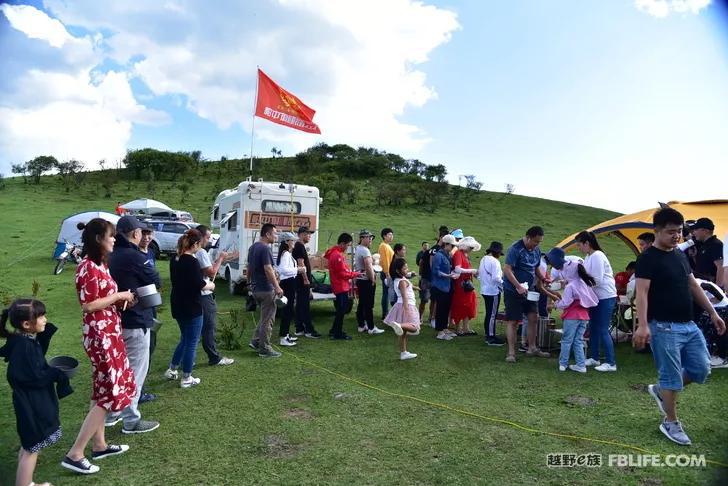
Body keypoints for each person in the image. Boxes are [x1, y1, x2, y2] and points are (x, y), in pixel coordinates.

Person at [633, 207, 726, 446]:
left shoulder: (679, 254)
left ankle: (661, 390)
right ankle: (670, 422)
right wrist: (642, 325)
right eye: (671, 232)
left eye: (680, 232)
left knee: (701, 369)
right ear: (657, 231)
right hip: (663, 327)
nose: (676, 236)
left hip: (689, 325)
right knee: (672, 377)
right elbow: (641, 293)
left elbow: (694, 286)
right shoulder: (648, 258)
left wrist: (713, 313)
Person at [64, 218, 135, 475]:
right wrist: (117, 296)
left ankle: (100, 445)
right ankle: (75, 453)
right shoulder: (86, 268)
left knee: (101, 390)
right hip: (100, 337)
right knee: (108, 393)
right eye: (111, 235)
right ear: (98, 239)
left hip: (110, 333)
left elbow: (102, 301)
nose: (114, 239)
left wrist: (121, 300)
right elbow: (89, 305)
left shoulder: (100, 265)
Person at [1, 299, 73, 486]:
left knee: (29, 446)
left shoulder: (21, 340)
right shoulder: (24, 346)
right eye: (41, 317)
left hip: (30, 401)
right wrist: (56, 373)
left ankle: (26, 482)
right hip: (32, 405)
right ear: (26, 324)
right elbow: (33, 376)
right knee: (31, 447)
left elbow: (34, 366)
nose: (45, 320)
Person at [106, 216, 161, 433]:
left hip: (115, 320)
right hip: (136, 320)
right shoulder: (134, 255)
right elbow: (155, 279)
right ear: (135, 233)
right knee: (135, 373)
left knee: (119, 370)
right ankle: (131, 420)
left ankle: (112, 414)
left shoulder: (111, 255)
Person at [165, 229, 215, 386]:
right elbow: (198, 284)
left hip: (177, 303)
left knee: (185, 338)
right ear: (195, 244)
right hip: (191, 306)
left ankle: (172, 369)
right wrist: (211, 285)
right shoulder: (192, 261)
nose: (200, 247)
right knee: (192, 341)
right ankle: (186, 377)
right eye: (199, 244)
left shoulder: (175, 259)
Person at [502, 226, 553, 362]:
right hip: (513, 290)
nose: (537, 244)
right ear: (528, 237)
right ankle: (511, 353)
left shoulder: (536, 250)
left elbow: (535, 267)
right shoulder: (515, 249)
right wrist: (517, 286)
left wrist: (543, 278)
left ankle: (532, 348)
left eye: (539, 242)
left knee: (533, 318)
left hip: (530, 290)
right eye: (536, 241)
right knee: (513, 321)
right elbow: (507, 269)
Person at [548, 249, 599, 373]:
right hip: (584, 317)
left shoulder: (570, 286)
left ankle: (563, 363)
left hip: (572, 316)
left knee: (566, 340)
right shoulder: (584, 283)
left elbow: (565, 303)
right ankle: (581, 365)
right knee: (578, 340)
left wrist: (555, 304)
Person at [575, 231, 618, 372]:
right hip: (595, 297)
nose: (578, 248)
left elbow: (597, 280)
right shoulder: (588, 257)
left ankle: (611, 363)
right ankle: (594, 357)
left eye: (579, 245)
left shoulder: (598, 256)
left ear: (587, 243)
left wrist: (580, 288)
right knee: (593, 327)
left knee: (602, 328)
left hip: (605, 296)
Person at [194, 225, 235, 365]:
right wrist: (221, 259)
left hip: (194, 295)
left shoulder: (188, 252)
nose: (209, 240)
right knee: (208, 326)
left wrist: (223, 258)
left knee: (194, 328)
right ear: (200, 237)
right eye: (207, 237)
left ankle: (186, 358)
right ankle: (214, 357)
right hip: (204, 294)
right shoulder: (201, 252)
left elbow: (206, 269)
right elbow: (211, 273)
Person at [247, 224, 284, 357]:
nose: (276, 236)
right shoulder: (265, 249)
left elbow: (249, 267)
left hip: (256, 288)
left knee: (264, 317)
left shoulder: (253, 247)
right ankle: (265, 349)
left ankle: (256, 341)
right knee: (268, 320)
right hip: (266, 289)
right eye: (275, 233)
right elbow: (268, 269)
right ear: (267, 234)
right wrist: (277, 286)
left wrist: (249, 283)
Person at [325, 233, 363, 340]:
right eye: (347, 245)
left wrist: (351, 273)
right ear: (342, 244)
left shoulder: (336, 253)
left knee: (340, 310)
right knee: (341, 310)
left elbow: (343, 270)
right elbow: (342, 274)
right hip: (340, 286)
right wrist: (356, 274)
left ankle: (334, 330)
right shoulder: (337, 255)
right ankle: (337, 333)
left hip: (340, 285)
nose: (347, 248)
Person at [137, 227, 159, 404]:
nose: (146, 238)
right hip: (140, 303)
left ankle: (140, 385)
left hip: (151, 302)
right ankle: (139, 390)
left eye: (149, 235)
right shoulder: (135, 254)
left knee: (151, 342)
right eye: (143, 234)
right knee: (144, 345)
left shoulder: (151, 252)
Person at [384, 258, 421, 360]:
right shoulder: (402, 282)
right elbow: (404, 296)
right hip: (407, 305)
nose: (407, 269)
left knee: (403, 332)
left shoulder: (397, 280)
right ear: (398, 270)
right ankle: (398, 325)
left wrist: (415, 288)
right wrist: (407, 310)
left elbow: (405, 287)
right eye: (404, 268)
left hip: (399, 305)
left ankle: (403, 353)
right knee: (414, 328)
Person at [292, 226, 321, 338]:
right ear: (301, 234)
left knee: (300, 305)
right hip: (302, 281)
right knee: (304, 305)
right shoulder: (299, 246)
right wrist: (306, 279)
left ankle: (299, 329)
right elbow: (300, 263)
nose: (309, 236)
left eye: (310, 234)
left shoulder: (300, 246)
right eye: (308, 234)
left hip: (300, 281)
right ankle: (309, 330)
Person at [354, 230, 384, 335]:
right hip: (366, 280)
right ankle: (371, 327)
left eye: (371, 238)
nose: (371, 239)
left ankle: (361, 325)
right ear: (362, 238)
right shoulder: (365, 250)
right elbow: (368, 266)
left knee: (362, 303)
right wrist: (372, 279)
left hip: (360, 279)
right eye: (369, 237)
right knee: (368, 304)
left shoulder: (358, 248)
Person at [694, 278, 728, 369]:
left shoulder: (698, 284)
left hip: (721, 308)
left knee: (714, 331)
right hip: (715, 308)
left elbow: (718, 295)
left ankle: (721, 357)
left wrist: (712, 301)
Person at [276, 232, 301, 346]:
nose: (294, 242)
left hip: (289, 282)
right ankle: (283, 337)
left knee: (289, 309)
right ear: (286, 242)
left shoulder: (286, 253)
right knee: (287, 310)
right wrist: (298, 270)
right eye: (292, 240)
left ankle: (285, 334)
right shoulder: (285, 254)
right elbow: (283, 270)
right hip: (288, 282)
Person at [451, 236, 480, 335]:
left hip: (467, 285)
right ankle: (458, 328)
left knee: (469, 305)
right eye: (470, 247)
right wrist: (472, 270)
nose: (471, 250)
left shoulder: (465, 255)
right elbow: (458, 269)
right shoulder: (459, 254)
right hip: (461, 285)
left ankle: (466, 328)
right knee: (460, 305)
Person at [431, 234, 458, 341]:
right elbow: (435, 271)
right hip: (439, 286)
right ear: (446, 244)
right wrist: (447, 275)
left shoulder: (448, 255)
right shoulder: (439, 255)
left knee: (446, 308)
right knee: (441, 308)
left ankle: (444, 327)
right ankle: (440, 330)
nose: (453, 247)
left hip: (447, 285)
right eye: (452, 245)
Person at [479, 241, 505, 346]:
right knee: (492, 314)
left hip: (484, 289)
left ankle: (489, 333)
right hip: (493, 291)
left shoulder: (483, 259)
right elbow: (496, 278)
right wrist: (504, 284)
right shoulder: (495, 262)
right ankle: (490, 337)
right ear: (496, 252)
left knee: (489, 313)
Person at [691, 218, 724, 284]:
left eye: (696, 229)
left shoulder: (715, 244)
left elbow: (721, 267)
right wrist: (694, 256)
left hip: (710, 285)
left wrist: (718, 288)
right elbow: (703, 266)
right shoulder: (704, 245)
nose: (694, 233)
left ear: (705, 231)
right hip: (702, 283)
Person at [378, 228, 395, 319]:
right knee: (386, 293)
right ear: (384, 236)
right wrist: (387, 273)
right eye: (389, 234)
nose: (391, 236)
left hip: (388, 272)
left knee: (388, 293)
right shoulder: (383, 246)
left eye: (392, 235)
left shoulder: (387, 246)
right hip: (386, 273)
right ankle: (385, 314)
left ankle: (387, 313)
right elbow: (385, 261)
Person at [416, 241, 432, 322]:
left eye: (427, 245)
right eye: (425, 245)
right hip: (425, 278)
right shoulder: (421, 254)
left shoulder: (432, 252)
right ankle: (419, 317)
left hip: (432, 279)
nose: (426, 246)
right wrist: (421, 275)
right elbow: (419, 263)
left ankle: (431, 318)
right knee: (424, 299)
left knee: (433, 300)